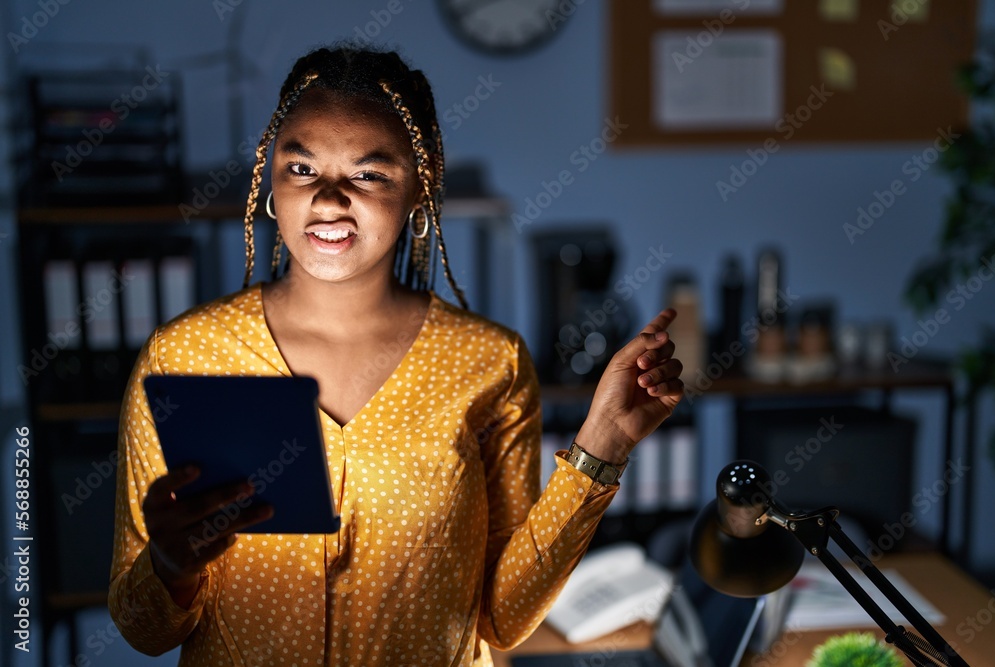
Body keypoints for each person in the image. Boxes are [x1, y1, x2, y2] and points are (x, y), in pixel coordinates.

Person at [109, 46, 684, 666]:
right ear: (270, 179)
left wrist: (603, 448)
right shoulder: (185, 357)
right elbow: (145, 632)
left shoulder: (491, 365)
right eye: (301, 169)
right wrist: (168, 567)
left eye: (367, 174)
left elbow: (503, 619)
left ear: (420, 185)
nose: (328, 199)